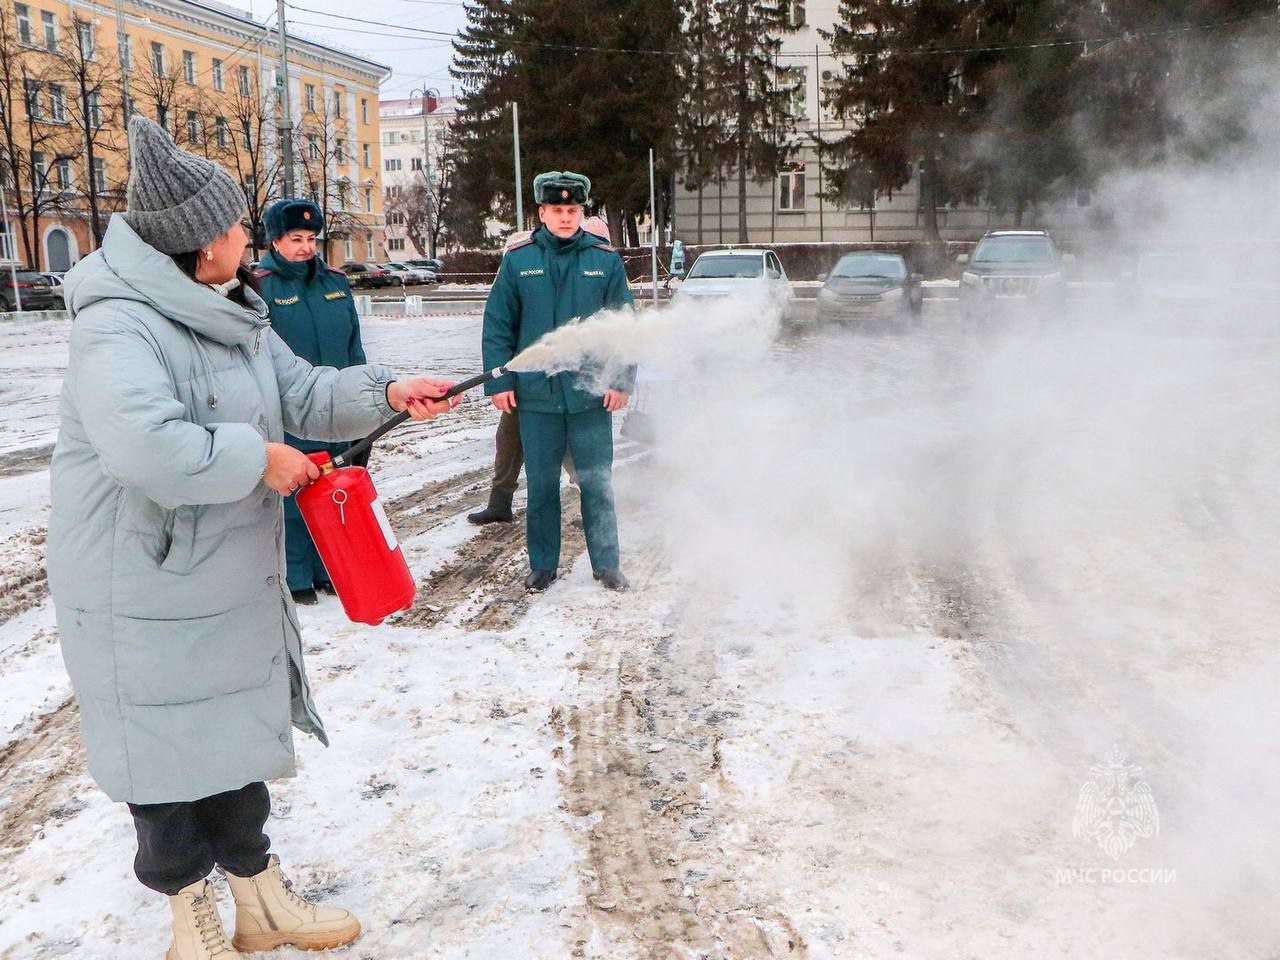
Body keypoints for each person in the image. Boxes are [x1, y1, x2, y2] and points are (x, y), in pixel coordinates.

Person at [46, 116, 456, 960]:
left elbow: (305, 394)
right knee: (163, 757)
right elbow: (143, 445)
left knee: (232, 739)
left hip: (223, 571)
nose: (247, 235)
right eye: (235, 225)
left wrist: (390, 390)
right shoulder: (118, 326)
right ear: (202, 246)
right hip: (143, 580)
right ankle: (190, 920)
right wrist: (259, 459)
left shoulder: (231, 311)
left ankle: (259, 900)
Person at [481, 172, 634, 592]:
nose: (566, 217)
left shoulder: (604, 261)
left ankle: (607, 565)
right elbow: (498, 326)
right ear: (542, 212)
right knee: (543, 485)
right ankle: (543, 565)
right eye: (557, 210)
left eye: (573, 210)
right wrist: (499, 382)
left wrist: (620, 381)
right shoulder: (518, 261)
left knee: (597, 483)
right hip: (536, 399)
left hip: (591, 397)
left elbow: (625, 327)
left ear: (582, 213)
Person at [254, 198, 368, 606]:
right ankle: (297, 575)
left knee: (334, 486)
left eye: (310, 239)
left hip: (336, 403)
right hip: (290, 408)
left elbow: (354, 345)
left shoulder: (334, 282)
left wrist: (363, 400)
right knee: (295, 490)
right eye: (295, 239)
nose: (305, 247)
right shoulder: (260, 285)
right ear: (275, 242)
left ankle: (330, 568)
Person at [467, 215, 612, 525]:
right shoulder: (522, 268)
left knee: (569, 446)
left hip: (568, 376)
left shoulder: (590, 266)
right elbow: (502, 324)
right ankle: (500, 501)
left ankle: (596, 503)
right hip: (523, 376)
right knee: (508, 440)